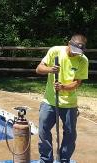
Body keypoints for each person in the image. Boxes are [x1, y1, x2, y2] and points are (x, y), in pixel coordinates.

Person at [36, 34, 88, 163]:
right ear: (68, 44)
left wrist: (63, 87)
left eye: (79, 53)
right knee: (43, 132)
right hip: (49, 101)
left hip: (69, 104)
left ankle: (64, 160)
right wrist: (50, 69)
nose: (76, 54)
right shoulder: (55, 51)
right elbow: (39, 69)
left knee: (70, 135)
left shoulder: (83, 60)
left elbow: (77, 82)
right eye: (74, 51)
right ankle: (46, 160)